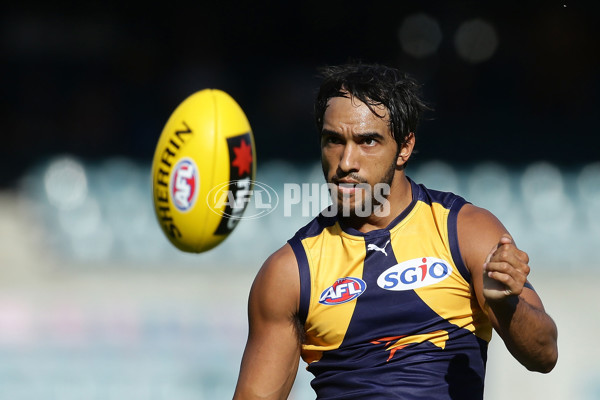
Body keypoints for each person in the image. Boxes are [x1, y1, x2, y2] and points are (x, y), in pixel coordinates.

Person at [232, 63, 558, 399]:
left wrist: (506, 307)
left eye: (367, 141)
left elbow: (544, 355)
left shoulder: (465, 232)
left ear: (404, 147)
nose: (346, 161)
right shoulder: (289, 273)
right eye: (333, 141)